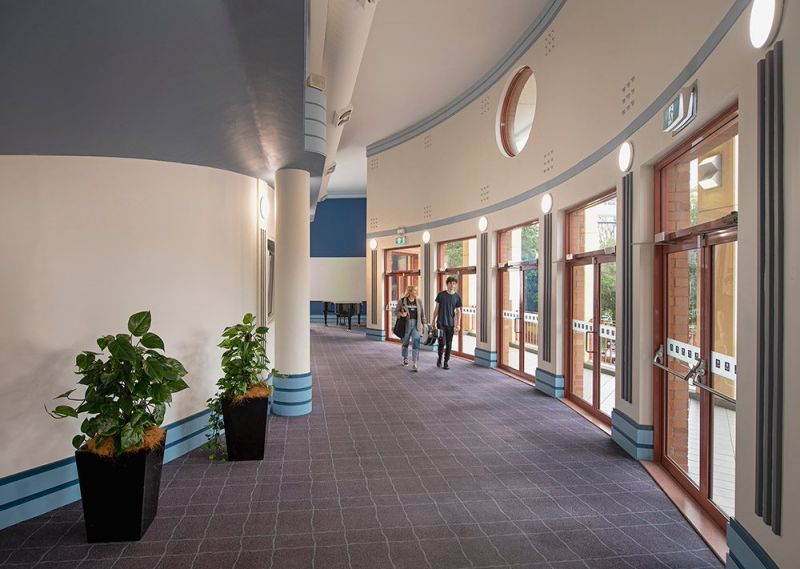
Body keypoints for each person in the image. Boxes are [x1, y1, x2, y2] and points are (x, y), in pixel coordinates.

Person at [432, 276, 462, 369]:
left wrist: (458, 324)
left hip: (451, 324)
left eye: (454, 283)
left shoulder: (457, 297)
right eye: (450, 283)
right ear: (447, 284)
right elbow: (436, 308)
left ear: (455, 285)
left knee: (449, 344)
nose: (452, 285)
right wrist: (433, 320)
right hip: (441, 322)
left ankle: (446, 362)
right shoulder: (441, 295)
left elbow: (458, 312)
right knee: (442, 342)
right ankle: (440, 358)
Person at [395, 285, 426, 372]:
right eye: (415, 291)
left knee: (416, 343)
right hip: (406, 326)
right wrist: (401, 314)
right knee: (405, 343)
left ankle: (415, 363)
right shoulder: (402, 301)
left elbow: (422, 314)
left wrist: (424, 324)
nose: (416, 292)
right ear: (410, 292)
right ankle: (405, 358)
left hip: (416, 325)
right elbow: (396, 311)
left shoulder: (419, 301)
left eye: (416, 291)